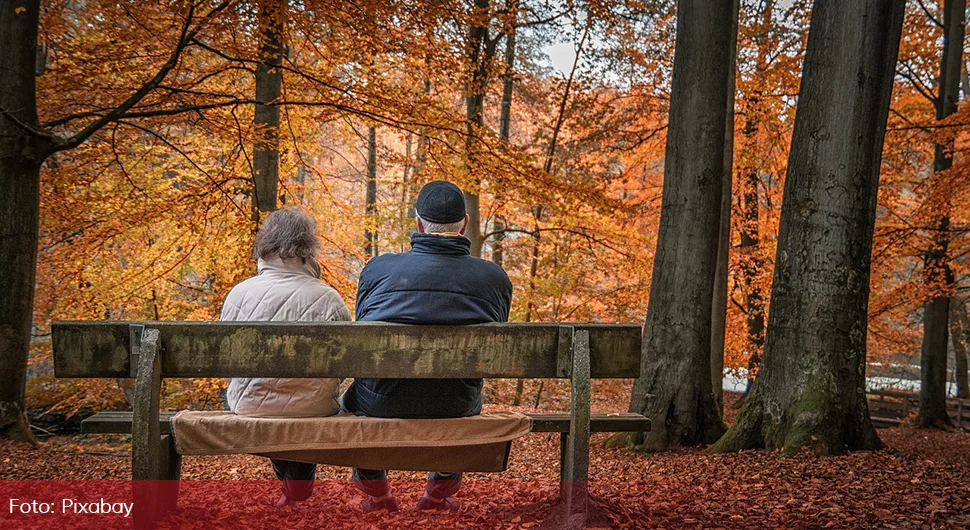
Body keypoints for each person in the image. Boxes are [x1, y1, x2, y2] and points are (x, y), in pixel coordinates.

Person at [341, 180, 513, 512]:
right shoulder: (493, 278)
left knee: (361, 392)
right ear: (464, 224)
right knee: (457, 390)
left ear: (418, 223)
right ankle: (437, 495)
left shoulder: (377, 270)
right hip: (454, 403)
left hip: (381, 402)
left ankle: (377, 495)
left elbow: (364, 330)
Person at [221, 207, 352, 509]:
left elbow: (228, 364)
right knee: (303, 405)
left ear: (265, 244)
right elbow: (346, 363)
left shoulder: (238, 295)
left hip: (249, 404)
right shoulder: (328, 298)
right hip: (315, 406)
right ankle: (297, 488)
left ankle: (294, 489)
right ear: (309, 247)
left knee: (275, 407)